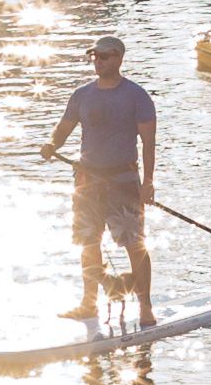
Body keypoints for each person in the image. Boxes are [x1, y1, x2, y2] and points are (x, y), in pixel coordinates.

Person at [41, 36, 159, 321]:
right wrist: (52, 145)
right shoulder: (82, 94)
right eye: (94, 56)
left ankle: (145, 306)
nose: (98, 61)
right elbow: (64, 127)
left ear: (118, 58)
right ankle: (88, 304)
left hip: (122, 181)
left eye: (104, 57)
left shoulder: (136, 96)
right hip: (87, 181)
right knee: (88, 243)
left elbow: (148, 142)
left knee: (134, 244)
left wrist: (147, 183)